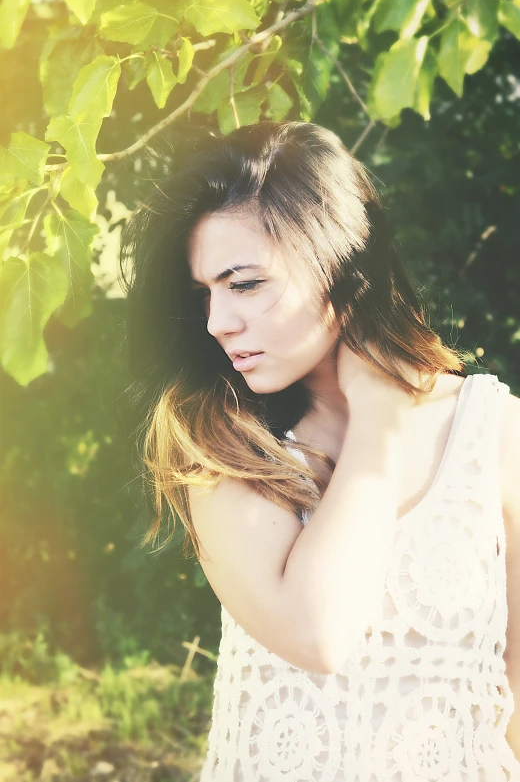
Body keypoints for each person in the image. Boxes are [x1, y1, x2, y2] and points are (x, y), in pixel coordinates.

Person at [118, 121, 520, 781]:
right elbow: (318, 631)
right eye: (205, 294)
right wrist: (380, 418)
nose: (219, 321)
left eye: (243, 283)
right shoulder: (220, 439)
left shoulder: (494, 431)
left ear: (341, 265)